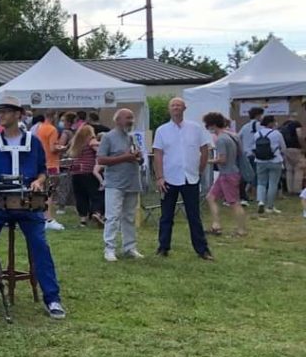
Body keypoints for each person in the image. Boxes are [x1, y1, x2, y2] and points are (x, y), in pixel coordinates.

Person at [0, 96, 67, 319]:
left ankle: (52, 299)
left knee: (40, 246)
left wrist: (38, 181)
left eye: (5, 111)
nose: (0, 115)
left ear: (18, 114)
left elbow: (42, 170)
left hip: (29, 205)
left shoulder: (33, 142)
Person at [152, 97, 213, 259]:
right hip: (169, 178)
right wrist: (159, 177)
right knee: (166, 215)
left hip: (190, 177)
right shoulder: (162, 130)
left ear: (184, 108)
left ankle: (202, 249)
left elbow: (204, 149)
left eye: (178, 105)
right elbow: (158, 154)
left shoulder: (195, 128)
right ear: (169, 109)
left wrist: (200, 170)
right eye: (173, 105)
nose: (176, 108)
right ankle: (163, 247)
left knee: (194, 216)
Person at [96, 108, 144, 261]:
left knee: (129, 217)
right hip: (115, 183)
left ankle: (130, 247)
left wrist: (139, 157)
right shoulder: (108, 137)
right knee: (113, 216)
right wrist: (124, 157)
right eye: (128, 118)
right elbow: (101, 159)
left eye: (132, 118)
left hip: (132, 181)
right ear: (117, 120)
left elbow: (139, 159)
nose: (131, 121)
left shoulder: (132, 137)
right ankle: (109, 248)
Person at [203, 112, 247, 237]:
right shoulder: (231, 136)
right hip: (228, 172)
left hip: (228, 174)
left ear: (212, 125)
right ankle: (216, 225)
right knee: (210, 197)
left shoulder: (221, 139)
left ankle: (241, 230)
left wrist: (207, 161)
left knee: (234, 203)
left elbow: (222, 159)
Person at [67, 124, 105, 227]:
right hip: (88, 171)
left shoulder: (76, 143)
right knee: (97, 194)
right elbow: (99, 150)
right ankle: (97, 213)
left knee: (81, 196)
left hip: (76, 172)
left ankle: (83, 219)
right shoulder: (91, 140)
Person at [33, 111, 65, 231]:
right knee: (49, 193)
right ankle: (49, 219)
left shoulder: (39, 128)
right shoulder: (52, 129)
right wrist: (62, 148)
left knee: (42, 192)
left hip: (41, 162)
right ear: (54, 116)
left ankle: (43, 217)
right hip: (51, 163)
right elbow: (52, 148)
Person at [253, 115, 286, 214]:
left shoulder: (257, 134)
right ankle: (270, 206)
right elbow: (283, 148)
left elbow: (254, 148)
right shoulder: (277, 133)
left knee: (261, 183)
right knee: (273, 183)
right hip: (275, 160)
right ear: (271, 123)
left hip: (260, 161)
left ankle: (260, 201)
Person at [238, 106, 264, 204]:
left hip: (245, 153)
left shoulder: (245, 126)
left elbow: (238, 137)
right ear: (258, 115)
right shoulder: (260, 126)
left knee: (245, 175)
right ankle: (255, 194)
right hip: (256, 153)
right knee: (256, 175)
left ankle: (243, 194)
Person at [279, 116, 304, 195]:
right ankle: (297, 190)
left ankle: (290, 190)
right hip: (296, 149)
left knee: (289, 170)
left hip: (286, 149)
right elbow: (300, 136)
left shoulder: (283, 126)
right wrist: (303, 146)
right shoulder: (296, 124)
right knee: (299, 169)